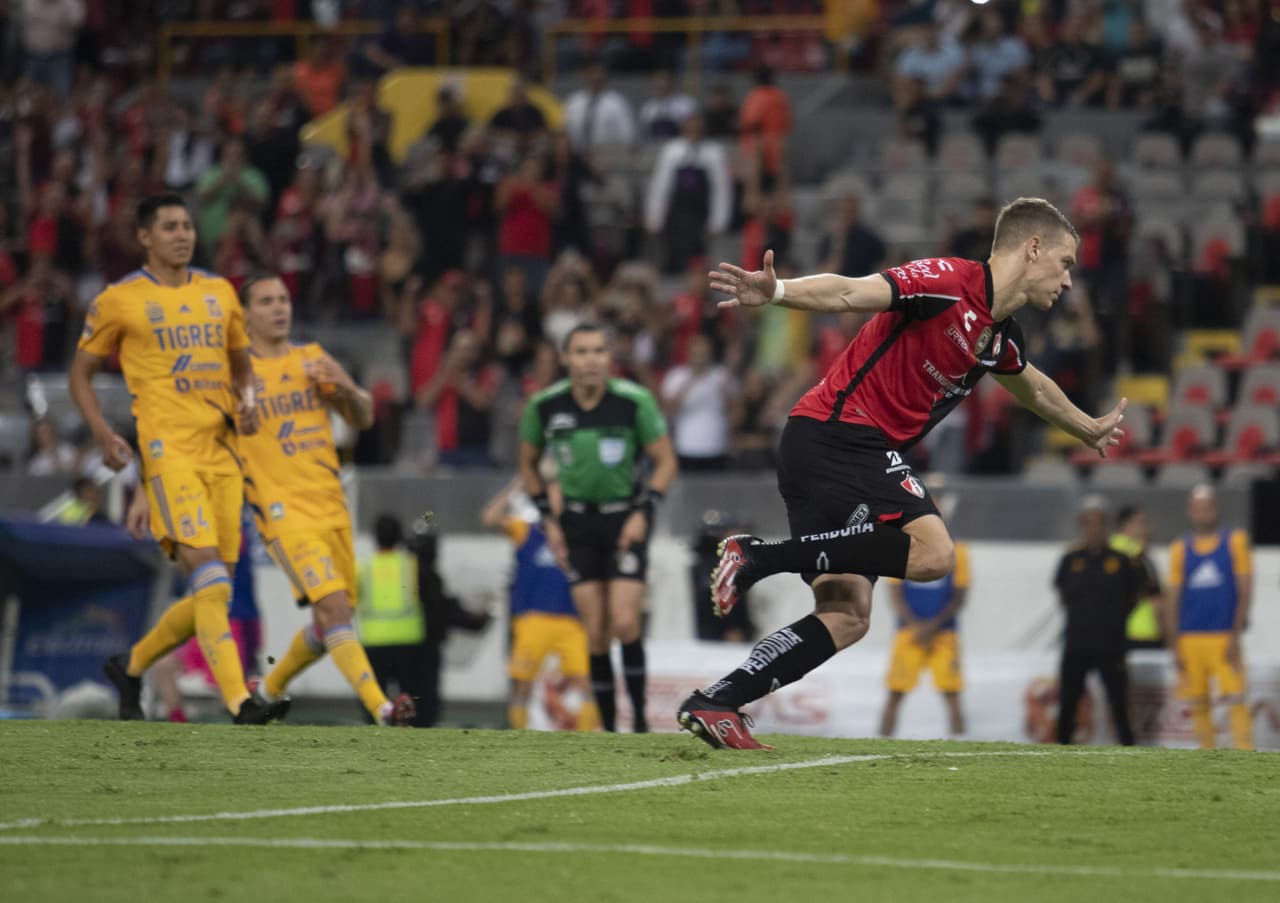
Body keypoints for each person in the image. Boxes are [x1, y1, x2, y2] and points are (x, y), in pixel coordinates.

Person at [679, 197, 1127, 750]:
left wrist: (1086, 427)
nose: (1067, 280)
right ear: (1032, 248)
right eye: (1064, 263)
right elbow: (851, 291)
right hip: (840, 432)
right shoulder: (945, 280)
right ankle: (756, 556)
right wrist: (777, 292)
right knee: (935, 554)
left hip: (826, 449)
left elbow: (1029, 384)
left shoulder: (998, 336)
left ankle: (718, 701)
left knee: (846, 614)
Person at [72, 193, 286, 725]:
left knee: (216, 589)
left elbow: (242, 367)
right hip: (169, 457)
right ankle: (240, 701)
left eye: (187, 225)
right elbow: (81, 373)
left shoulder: (218, 293)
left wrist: (250, 403)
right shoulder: (119, 300)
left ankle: (132, 664)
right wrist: (102, 433)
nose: (182, 234)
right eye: (169, 226)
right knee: (211, 582)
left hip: (223, 454)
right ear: (144, 236)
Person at [235, 274, 415, 727]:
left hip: (331, 506)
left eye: (283, 299)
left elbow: (365, 416)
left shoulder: (312, 358)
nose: (279, 308)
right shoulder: (234, 374)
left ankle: (267, 693)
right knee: (334, 608)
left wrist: (347, 387)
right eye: (266, 301)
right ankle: (383, 708)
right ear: (245, 315)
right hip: (282, 512)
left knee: (329, 620)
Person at [518, 324, 678, 733]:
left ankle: (639, 721)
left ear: (610, 358)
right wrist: (548, 520)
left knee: (625, 622)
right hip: (575, 523)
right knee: (595, 633)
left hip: (625, 518)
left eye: (599, 351)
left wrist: (645, 511)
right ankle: (609, 732)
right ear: (566, 358)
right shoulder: (545, 407)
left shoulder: (633, 401)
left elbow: (665, 462)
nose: (591, 360)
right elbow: (528, 466)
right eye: (582, 351)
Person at [482, 476, 599, 731]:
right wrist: (516, 486)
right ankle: (519, 734)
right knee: (522, 684)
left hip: (572, 620)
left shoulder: (578, 534)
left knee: (587, 681)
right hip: (533, 618)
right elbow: (490, 517)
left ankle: (589, 737)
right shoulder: (528, 530)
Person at [1164, 485, 1253, 750]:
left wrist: (1236, 636)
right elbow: (1172, 598)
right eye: (1198, 509)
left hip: (1223, 634)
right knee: (1197, 702)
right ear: (1190, 512)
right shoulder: (1181, 547)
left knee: (1236, 697)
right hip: (1190, 637)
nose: (1203, 514)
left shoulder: (1234, 542)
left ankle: (1244, 756)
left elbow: (1244, 591)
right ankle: (1207, 756)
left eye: (1208, 508)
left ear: (1217, 509)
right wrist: (1174, 642)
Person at [1053, 496, 1141, 746]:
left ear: (1107, 526)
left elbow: (1133, 597)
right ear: (1082, 525)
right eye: (1089, 523)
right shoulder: (1070, 560)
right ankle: (1062, 747)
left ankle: (1128, 746)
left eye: (1099, 523)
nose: (1094, 529)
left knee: (1118, 700)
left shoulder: (1122, 561)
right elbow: (1063, 595)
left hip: (1111, 643)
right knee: (1069, 698)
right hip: (1077, 641)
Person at [879, 540, 969, 738]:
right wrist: (916, 626)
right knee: (895, 692)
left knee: (952, 693)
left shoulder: (958, 550)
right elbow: (894, 593)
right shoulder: (898, 548)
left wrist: (932, 626)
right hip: (909, 632)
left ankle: (961, 747)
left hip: (944, 633)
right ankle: (880, 745)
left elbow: (960, 595)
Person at [356, 516, 431, 728]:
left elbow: (351, 598)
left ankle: (377, 734)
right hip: (408, 640)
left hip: (374, 641)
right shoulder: (411, 565)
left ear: (375, 538)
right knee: (412, 700)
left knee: (375, 701)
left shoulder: (365, 567)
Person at [1110, 505, 1163, 649]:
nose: (1146, 529)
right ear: (1125, 525)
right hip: (1141, 632)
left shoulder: (1107, 551)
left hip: (1112, 634)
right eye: (1141, 523)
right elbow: (1155, 598)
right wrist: (1164, 630)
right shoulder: (1137, 556)